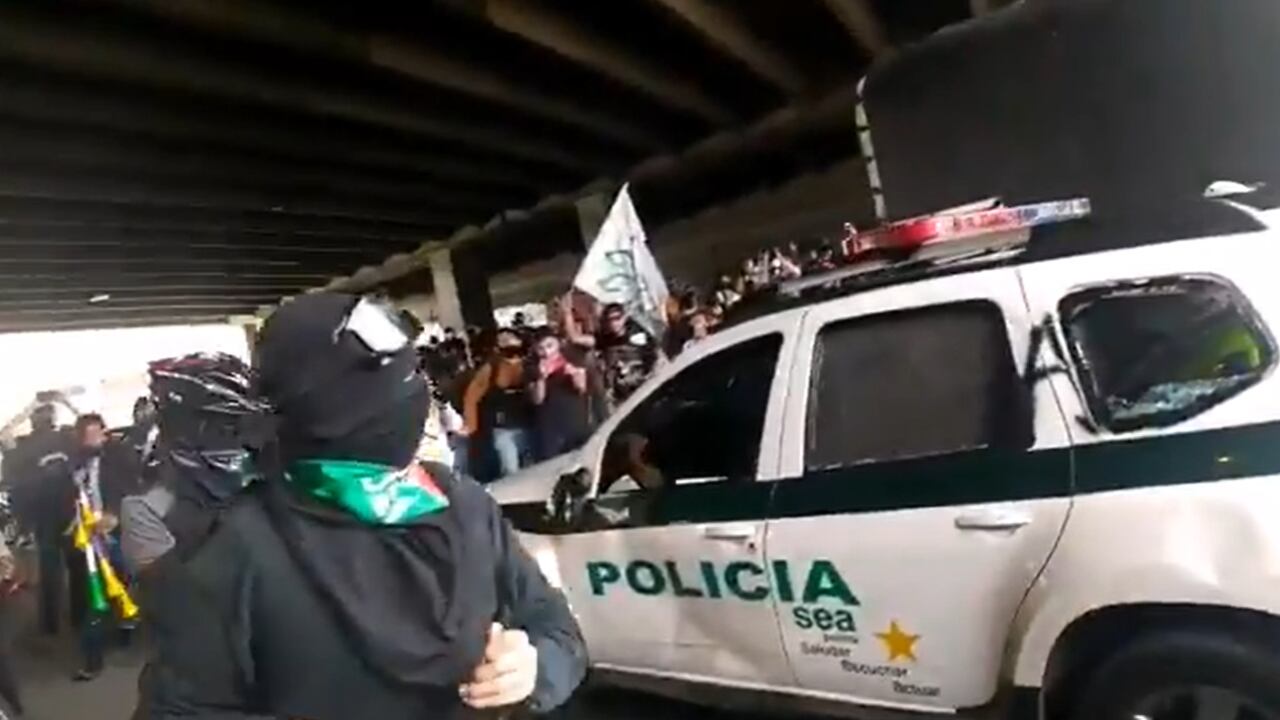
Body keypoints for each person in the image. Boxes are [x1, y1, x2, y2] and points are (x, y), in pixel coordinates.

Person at [140, 293, 586, 719]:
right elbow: (174, 710)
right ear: (323, 406)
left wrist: (533, 668)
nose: (420, 394)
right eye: (397, 381)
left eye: (416, 375)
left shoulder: (460, 500)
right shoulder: (233, 551)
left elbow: (557, 629)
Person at [122, 353, 263, 719]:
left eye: (237, 425)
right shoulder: (148, 508)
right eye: (221, 425)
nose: (233, 439)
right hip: (195, 695)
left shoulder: (272, 478)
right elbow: (177, 607)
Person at [68, 413, 138, 681]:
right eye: (86, 435)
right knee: (95, 598)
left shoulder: (119, 455)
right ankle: (93, 659)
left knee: (123, 581)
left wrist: (114, 514)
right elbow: (69, 495)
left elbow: (132, 487)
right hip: (88, 540)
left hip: (116, 534)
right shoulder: (74, 461)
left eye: (96, 433)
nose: (92, 439)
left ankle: (126, 624)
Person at [4, 404, 74, 637]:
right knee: (79, 566)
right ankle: (80, 614)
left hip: (44, 516)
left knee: (50, 569)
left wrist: (25, 520)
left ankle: (49, 622)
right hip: (70, 511)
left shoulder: (26, 446)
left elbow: (17, 481)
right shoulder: (65, 439)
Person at [463, 329, 535, 479]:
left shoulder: (530, 363)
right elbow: (471, 398)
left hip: (528, 425)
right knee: (511, 472)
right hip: (503, 429)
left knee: (531, 469)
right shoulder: (491, 368)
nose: (508, 343)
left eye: (511, 338)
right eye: (502, 340)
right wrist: (471, 426)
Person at [528, 330, 591, 461]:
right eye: (540, 348)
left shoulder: (573, 359)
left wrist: (575, 375)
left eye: (549, 346)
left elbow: (581, 388)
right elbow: (537, 400)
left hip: (575, 421)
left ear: (558, 344)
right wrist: (541, 378)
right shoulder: (532, 368)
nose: (546, 352)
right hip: (549, 425)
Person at [594, 303, 661, 406]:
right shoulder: (605, 341)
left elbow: (653, 357)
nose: (614, 323)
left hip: (645, 384)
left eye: (617, 318)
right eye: (610, 320)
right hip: (624, 394)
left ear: (624, 318)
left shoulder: (638, 335)